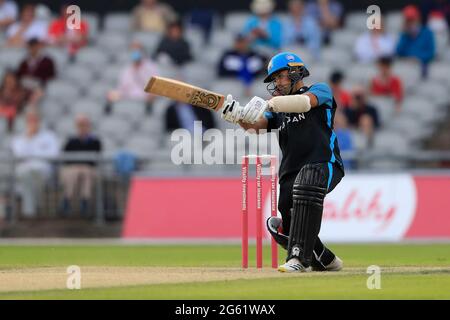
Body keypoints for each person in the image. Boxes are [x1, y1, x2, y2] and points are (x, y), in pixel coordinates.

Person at [221, 52, 344, 272]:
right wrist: (237, 116)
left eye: (281, 76)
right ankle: (325, 258)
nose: (277, 82)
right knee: (286, 225)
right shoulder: (278, 109)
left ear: (296, 72)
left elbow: (305, 103)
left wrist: (270, 104)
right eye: (274, 79)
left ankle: (298, 259)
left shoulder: (319, 90)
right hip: (291, 171)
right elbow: (255, 127)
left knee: (308, 182)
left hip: (324, 163)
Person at [10, 110, 59, 217]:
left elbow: (54, 154)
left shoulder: (49, 136)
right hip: (25, 169)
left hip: (43, 169)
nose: (33, 123)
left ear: (39, 121)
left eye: (35, 120)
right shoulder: (19, 138)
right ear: (26, 122)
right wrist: (29, 138)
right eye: (30, 120)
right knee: (26, 176)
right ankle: (32, 210)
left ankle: (30, 211)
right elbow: (19, 154)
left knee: (33, 176)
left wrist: (34, 156)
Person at [60, 115, 102, 216]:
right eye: (80, 125)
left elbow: (95, 159)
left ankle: (85, 202)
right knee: (73, 173)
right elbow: (66, 158)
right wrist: (78, 164)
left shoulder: (95, 141)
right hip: (73, 168)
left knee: (86, 173)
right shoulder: (71, 141)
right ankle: (67, 200)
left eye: (85, 125)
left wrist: (83, 164)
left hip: (88, 168)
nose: (83, 128)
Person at [396, 5, 436, 78]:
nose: (410, 22)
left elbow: (431, 53)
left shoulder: (427, 32)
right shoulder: (404, 34)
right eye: (408, 20)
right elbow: (398, 52)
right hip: (406, 65)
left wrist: (417, 58)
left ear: (418, 18)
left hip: (422, 66)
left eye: (412, 19)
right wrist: (405, 35)